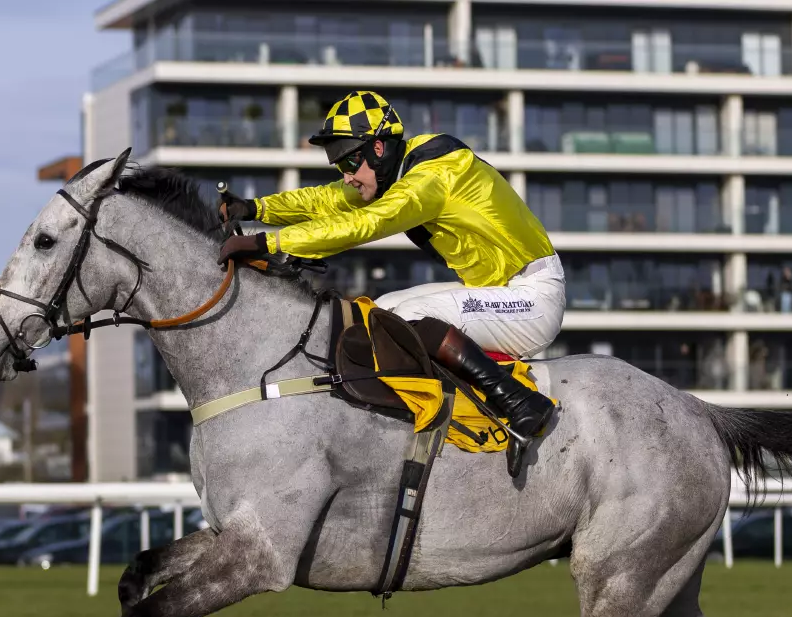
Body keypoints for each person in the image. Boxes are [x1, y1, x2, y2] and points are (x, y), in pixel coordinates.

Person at [216, 90, 560, 478]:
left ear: (377, 148)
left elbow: (369, 223)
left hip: (531, 298)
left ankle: (518, 403)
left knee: (409, 316)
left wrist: (267, 242)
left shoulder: (433, 176)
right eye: (339, 164)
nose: (345, 175)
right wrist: (257, 209)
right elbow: (328, 201)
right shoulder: (402, 169)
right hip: (498, 292)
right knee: (382, 312)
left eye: (349, 161)